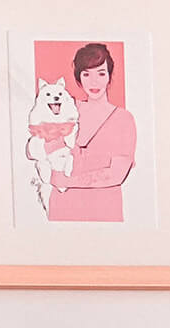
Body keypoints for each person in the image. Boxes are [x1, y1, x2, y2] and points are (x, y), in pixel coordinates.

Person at [46, 43, 135, 223]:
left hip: (104, 213)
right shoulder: (65, 109)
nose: (94, 82)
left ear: (110, 76)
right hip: (62, 211)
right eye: (86, 74)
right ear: (79, 78)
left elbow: (116, 174)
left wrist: (66, 181)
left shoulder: (123, 119)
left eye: (101, 73)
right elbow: (41, 146)